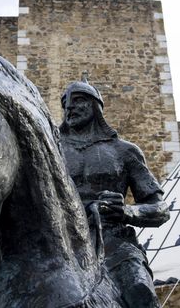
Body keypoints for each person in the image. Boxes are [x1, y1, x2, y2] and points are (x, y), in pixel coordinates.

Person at [59, 79, 170, 308]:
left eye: (78, 100)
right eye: (65, 102)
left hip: (115, 243)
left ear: (95, 106)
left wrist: (127, 211)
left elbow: (160, 209)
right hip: (60, 243)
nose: (69, 107)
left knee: (140, 291)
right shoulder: (52, 149)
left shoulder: (125, 151)